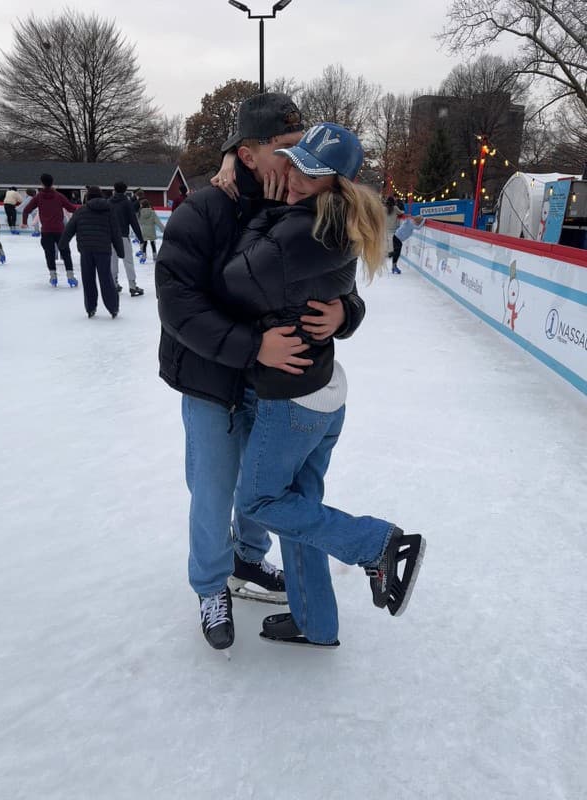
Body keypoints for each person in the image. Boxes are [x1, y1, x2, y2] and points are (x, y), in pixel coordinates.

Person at [155, 93, 366, 651]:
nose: (298, 162)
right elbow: (178, 306)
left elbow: (334, 280)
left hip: (267, 390)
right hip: (210, 380)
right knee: (214, 487)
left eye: (304, 150)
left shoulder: (303, 205)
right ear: (248, 155)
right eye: (287, 150)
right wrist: (254, 349)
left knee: (260, 486)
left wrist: (347, 313)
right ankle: (209, 584)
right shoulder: (203, 209)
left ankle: (249, 561)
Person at [219, 124, 426, 647]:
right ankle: (316, 622)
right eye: (295, 162)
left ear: (338, 184)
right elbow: (346, 295)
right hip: (324, 392)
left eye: (311, 172)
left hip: (291, 399)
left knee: (262, 503)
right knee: (301, 508)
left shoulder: (297, 229)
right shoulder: (337, 224)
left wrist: (263, 215)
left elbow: (232, 280)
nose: (293, 178)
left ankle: (377, 543)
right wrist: (347, 313)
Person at [58, 186, 124, 319]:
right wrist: (120, 251)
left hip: (86, 249)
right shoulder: (109, 210)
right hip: (103, 250)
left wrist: (62, 244)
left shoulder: (81, 211)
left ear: (88, 197)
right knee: (106, 278)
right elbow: (116, 231)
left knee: (88, 279)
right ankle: (113, 308)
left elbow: (70, 228)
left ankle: (90, 307)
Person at [21, 173, 79, 287]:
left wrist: (24, 222)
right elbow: (72, 208)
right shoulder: (59, 196)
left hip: (46, 231)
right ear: (52, 183)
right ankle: (70, 276)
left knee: (49, 253)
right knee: (66, 253)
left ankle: (53, 277)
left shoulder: (38, 197)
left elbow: (26, 210)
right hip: (60, 230)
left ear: (42, 183)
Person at [108, 181, 145, 296]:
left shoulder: (108, 202)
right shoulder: (126, 203)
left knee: (112, 261)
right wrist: (140, 237)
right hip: (123, 236)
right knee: (128, 261)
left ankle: (113, 284)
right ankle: (132, 285)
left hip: (110, 237)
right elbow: (133, 221)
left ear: (114, 189)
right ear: (125, 190)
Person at [384, 196, 405, 274]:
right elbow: (402, 212)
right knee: (398, 247)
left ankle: (390, 257)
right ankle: (394, 266)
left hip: (385, 232)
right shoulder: (395, 208)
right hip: (394, 232)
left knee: (395, 248)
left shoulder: (384, 209)